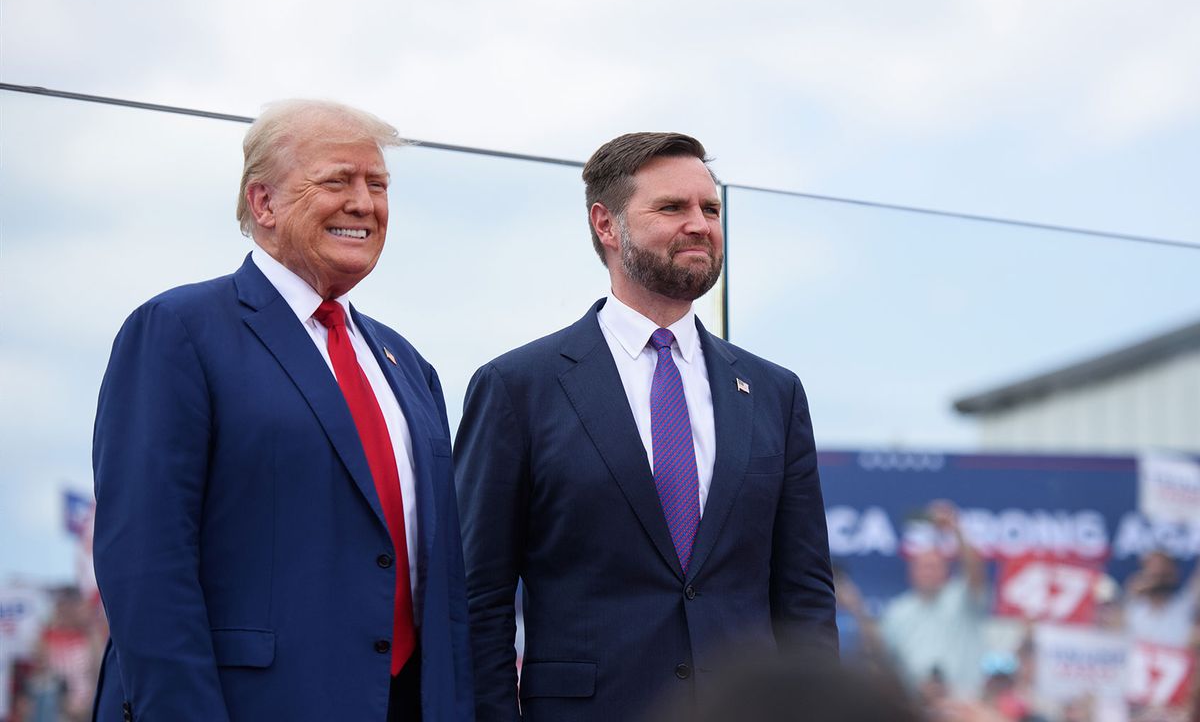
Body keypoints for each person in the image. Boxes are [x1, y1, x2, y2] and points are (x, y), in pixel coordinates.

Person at [91, 100, 473, 721]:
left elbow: (442, 583)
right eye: (336, 181)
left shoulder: (409, 365)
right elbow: (145, 567)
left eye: (377, 185)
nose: (364, 203)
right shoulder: (178, 331)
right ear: (263, 203)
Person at [454, 132, 838, 721]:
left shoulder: (773, 393)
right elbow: (480, 597)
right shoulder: (517, 387)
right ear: (606, 225)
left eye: (710, 209)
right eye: (672, 208)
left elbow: (805, 594)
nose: (701, 224)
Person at [879, 500, 989, 700]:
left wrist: (957, 529)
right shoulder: (897, 611)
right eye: (924, 566)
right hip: (916, 707)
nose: (929, 572)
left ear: (946, 570)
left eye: (935, 566)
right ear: (911, 571)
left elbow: (975, 571)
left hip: (965, 705)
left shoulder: (962, 598)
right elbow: (886, 662)